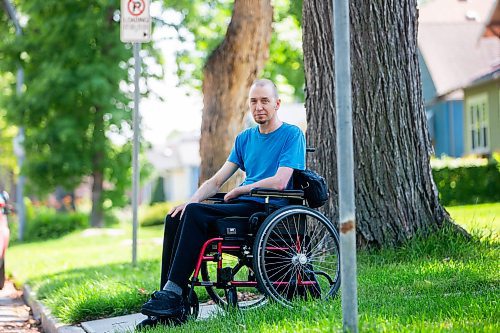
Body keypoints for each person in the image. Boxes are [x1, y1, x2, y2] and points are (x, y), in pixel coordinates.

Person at [139, 79, 306, 326]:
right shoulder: (245, 139)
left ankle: (173, 297)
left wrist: (242, 189)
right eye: (254, 101)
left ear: (277, 104)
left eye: (264, 101)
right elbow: (217, 180)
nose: (258, 106)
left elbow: (281, 182)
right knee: (178, 215)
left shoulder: (291, 135)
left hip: (269, 207)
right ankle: (170, 298)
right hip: (246, 203)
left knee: (196, 214)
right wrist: (190, 200)